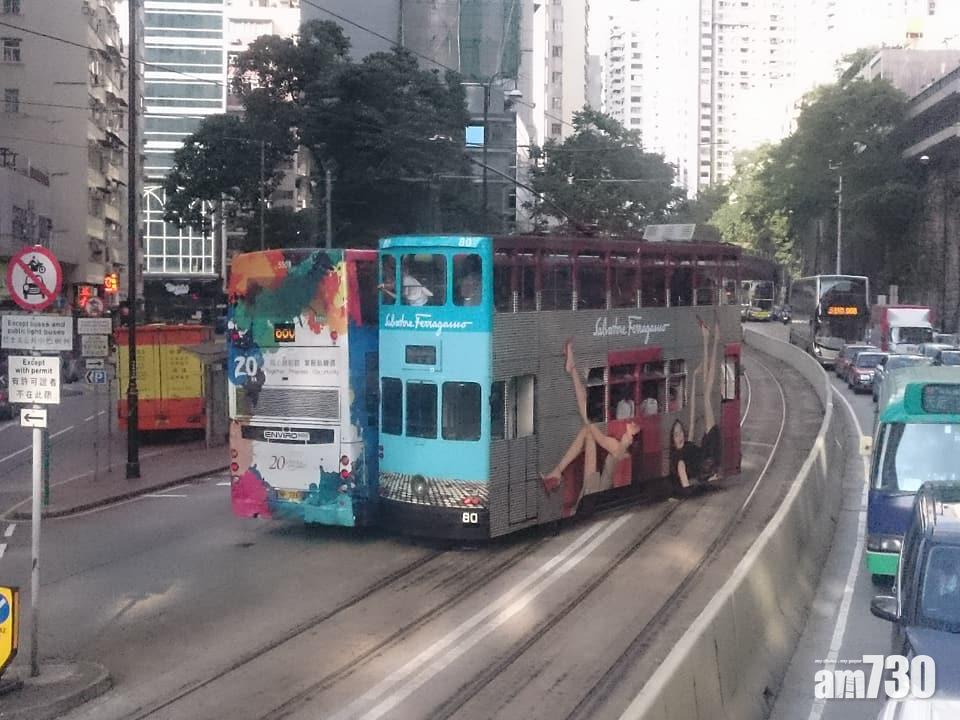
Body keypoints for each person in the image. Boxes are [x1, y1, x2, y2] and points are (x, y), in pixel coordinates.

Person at [540, 339, 640, 502]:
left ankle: (557, 473)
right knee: (588, 429)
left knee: (589, 424)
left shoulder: (621, 451)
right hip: (596, 489)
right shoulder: (618, 449)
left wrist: (627, 437)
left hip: (593, 493)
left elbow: (620, 449)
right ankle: (557, 473)